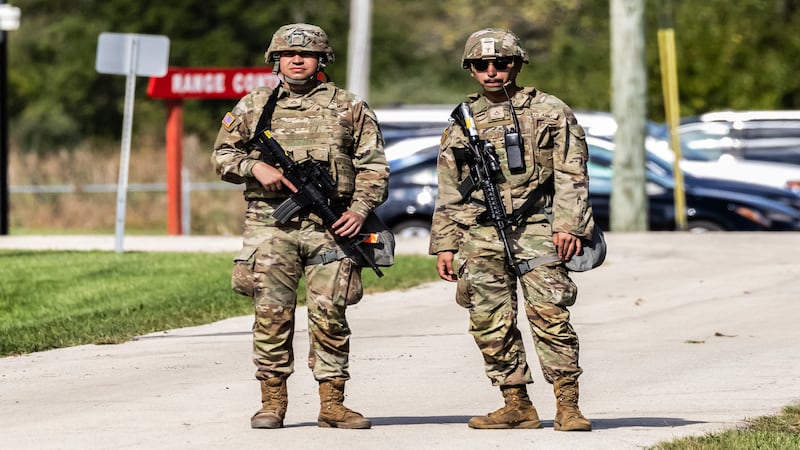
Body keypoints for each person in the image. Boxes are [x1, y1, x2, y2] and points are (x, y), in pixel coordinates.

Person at [211, 23, 389, 430]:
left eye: (306, 54)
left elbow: (374, 166)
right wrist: (254, 166)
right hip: (270, 228)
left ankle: (333, 403)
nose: (296, 60)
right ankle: (272, 402)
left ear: (321, 60)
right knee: (272, 314)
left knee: (330, 314)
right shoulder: (255, 105)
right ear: (275, 60)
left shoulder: (349, 107)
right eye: (288, 54)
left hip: (333, 226)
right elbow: (222, 155)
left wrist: (360, 210)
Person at [429, 28, 594, 431]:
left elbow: (573, 172)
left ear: (517, 65)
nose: (491, 72)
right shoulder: (462, 121)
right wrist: (446, 244)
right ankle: (516, 403)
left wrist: (568, 224)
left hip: (538, 226)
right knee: (488, 319)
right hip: (480, 233)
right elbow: (449, 188)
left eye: (501, 63)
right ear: (470, 70)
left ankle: (568, 405)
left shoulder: (550, 110)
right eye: (481, 65)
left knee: (550, 314)